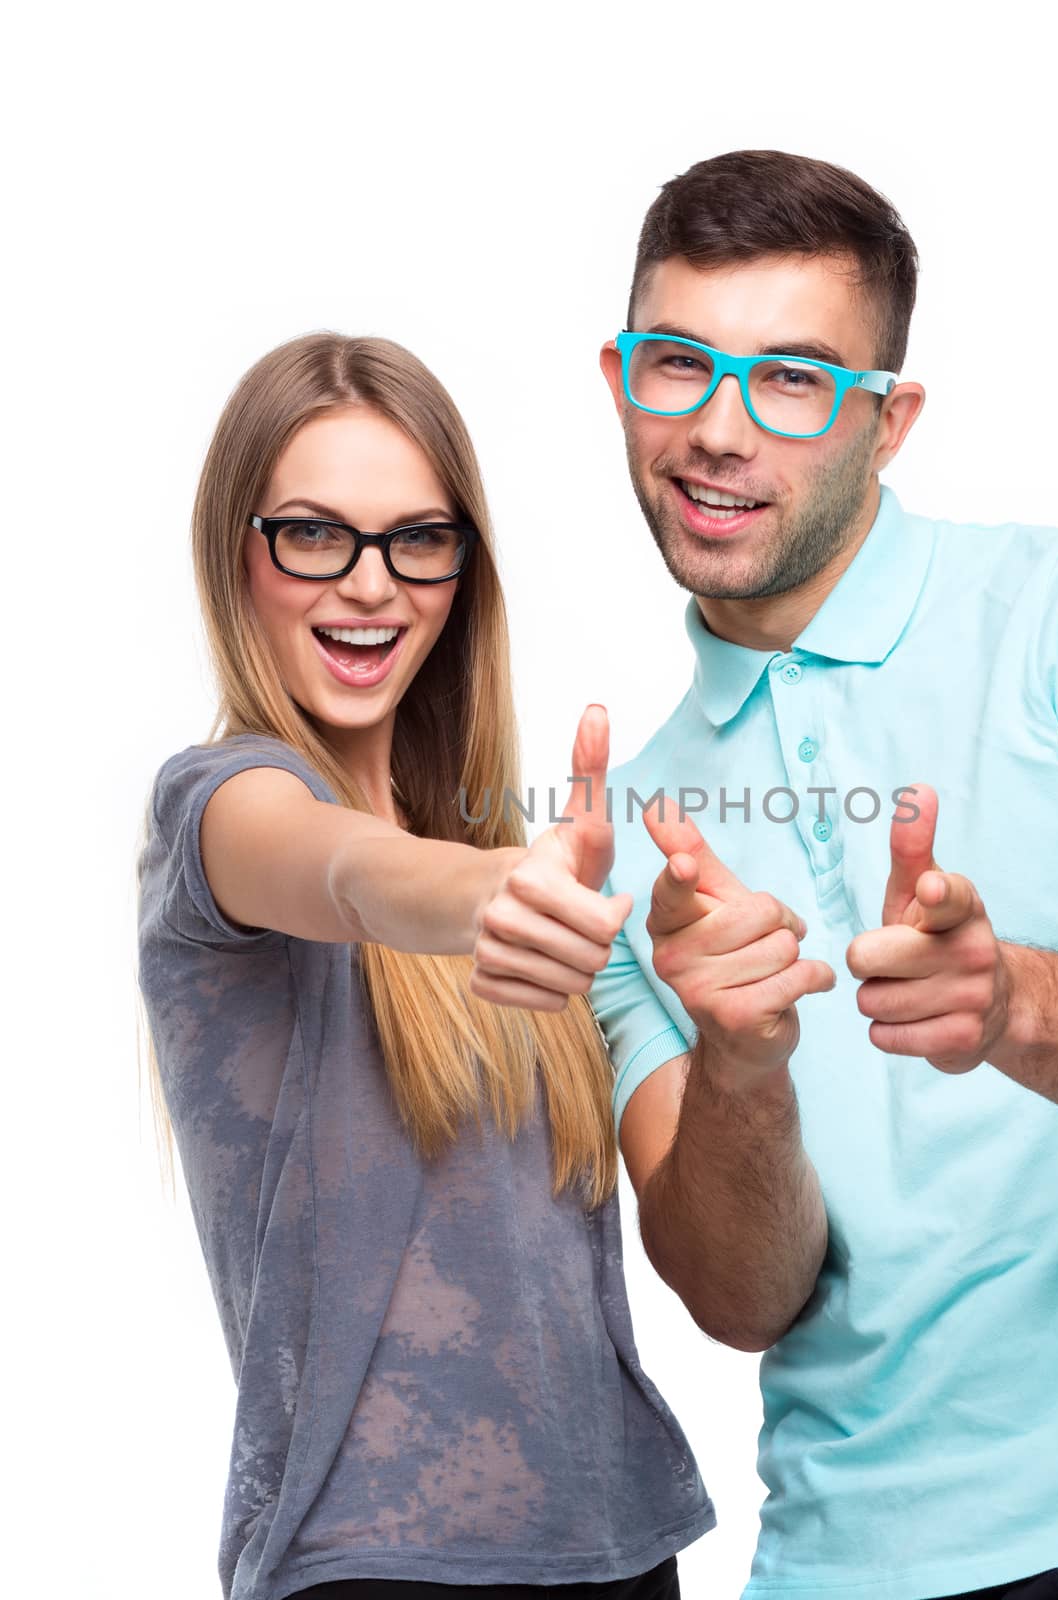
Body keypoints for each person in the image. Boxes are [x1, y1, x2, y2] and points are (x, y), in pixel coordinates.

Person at [587, 149, 1058, 1600]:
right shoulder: (630, 830)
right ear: (619, 381)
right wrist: (743, 1068)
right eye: (677, 365)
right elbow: (743, 1298)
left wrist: (1009, 1005)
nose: (718, 429)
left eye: (796, 381)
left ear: (890, 423)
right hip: (834, 1567)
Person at [135, 332, 713, 1600]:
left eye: (417, 538)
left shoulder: (506, 850)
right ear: (238, 550)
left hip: (620, 1547)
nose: (370, 585)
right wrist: (482, 892)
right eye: (313, 534)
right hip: (376, 1566)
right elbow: (340, 868)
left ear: (463, 570)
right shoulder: (222, 804)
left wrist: (739, 1033)